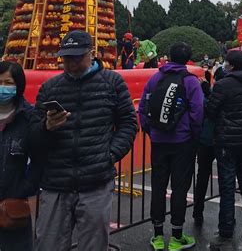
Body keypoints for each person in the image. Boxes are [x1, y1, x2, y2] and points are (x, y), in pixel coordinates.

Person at [30, 30, 137, 251]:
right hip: (56, 182)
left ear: (91, 53)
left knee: (94, 244)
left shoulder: (112, 82)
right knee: (48, 243)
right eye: (67, 58)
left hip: (96, 180)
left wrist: (110, 155)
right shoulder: (50, 87)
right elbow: (33, 134)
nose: (71, 63)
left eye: (77, 57)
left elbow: (128, 122)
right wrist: (46, 128)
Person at [138, 42, 204, 250]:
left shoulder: (156, 77)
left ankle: (157, 236)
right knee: (179, 188)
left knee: (158, 187)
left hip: (158, 141)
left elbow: (143, 107)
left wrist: (151, 130)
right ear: (187, 59)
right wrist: (194, 135)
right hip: (182, 142)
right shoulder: (190, 81)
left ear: (168, 57)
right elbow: (197, 111)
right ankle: (176, 237)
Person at [206, 50, 242, 251]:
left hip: (227, 141)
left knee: (227, 187)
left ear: (232, 66)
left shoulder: (223, 85)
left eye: (227, 62)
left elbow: (211, 111)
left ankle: (226, 232)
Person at [0, 62, 39, 251]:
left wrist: (25, 188)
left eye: (8, 83)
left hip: (14, 204)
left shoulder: (28, 117)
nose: (3, 87)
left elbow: (39, 159)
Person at [192, 79, 218, 227]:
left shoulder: (201, 101)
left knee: (202, 176)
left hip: (204, 141)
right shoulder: (220, 97)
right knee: (226, 177)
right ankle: (227, 217)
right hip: (220, 139)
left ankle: (198, 211)